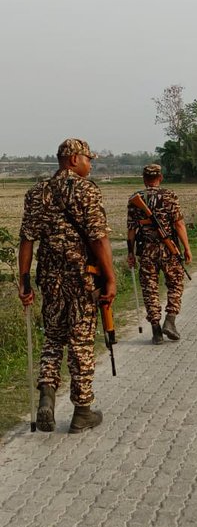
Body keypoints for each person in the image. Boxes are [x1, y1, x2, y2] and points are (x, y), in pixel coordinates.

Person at [18, 138, 116, 434]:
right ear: (73, 159)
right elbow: (98, 238)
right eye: (88, 158)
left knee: (53, 339)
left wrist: (24, 282)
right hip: (81, 279)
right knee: (80, 342)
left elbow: (27, 240)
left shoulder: (37, 192)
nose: (91, 163)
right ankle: (82, 411)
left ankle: (46, 398)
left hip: (50, 280)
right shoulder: (87, 190)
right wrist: (110, 277)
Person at [127, 164, 192, 344]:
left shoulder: (135, 200)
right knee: (176, 283)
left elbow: (131, 230)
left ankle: (156, 330)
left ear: (144, 178)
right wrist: (186, 247)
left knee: (150, 289)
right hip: (168, 249)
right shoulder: (170, 196)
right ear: (160, 177)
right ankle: (170, 320)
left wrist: (130, 253)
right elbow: (179, 224)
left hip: (146, 251)